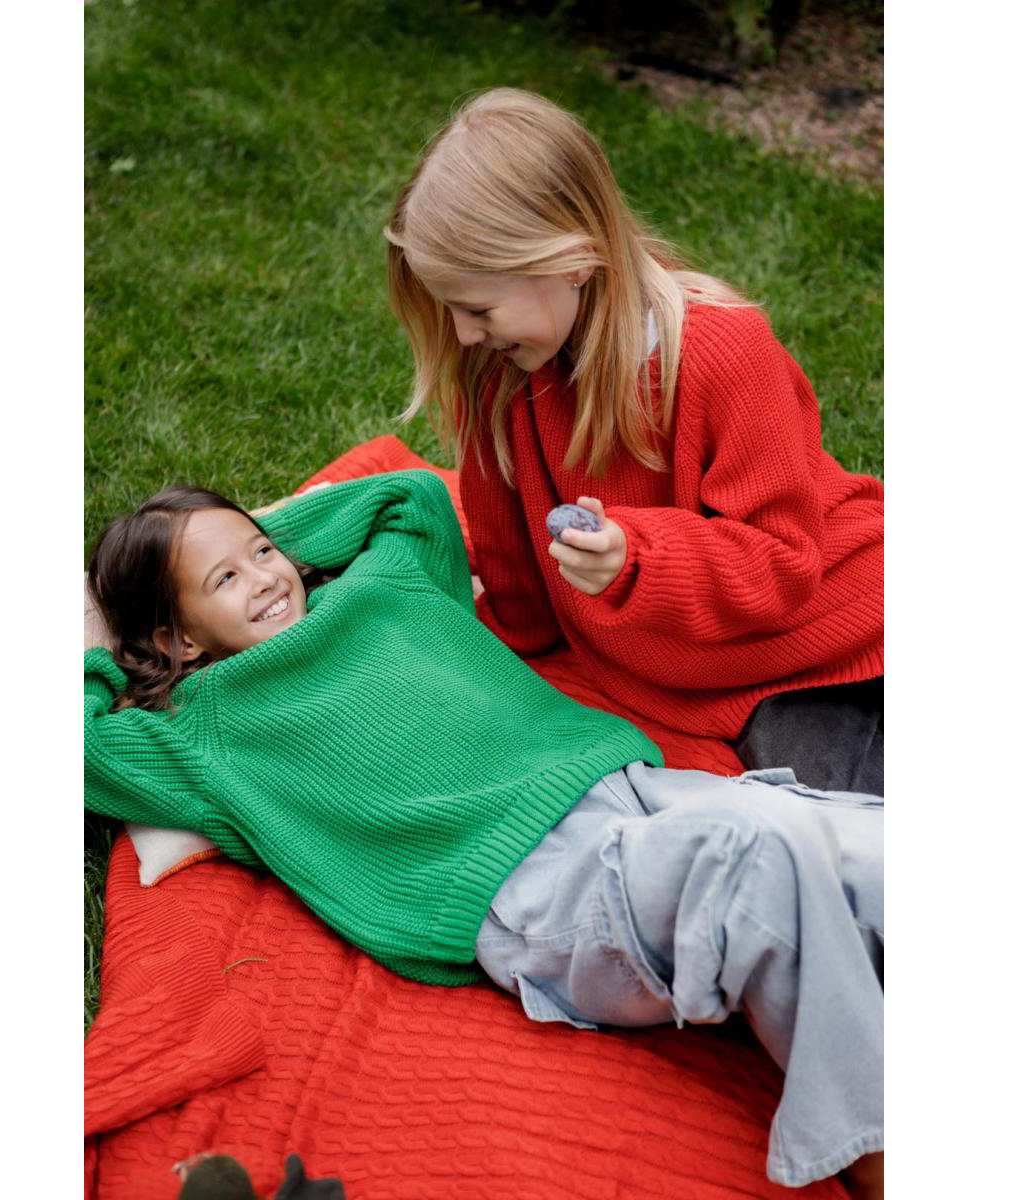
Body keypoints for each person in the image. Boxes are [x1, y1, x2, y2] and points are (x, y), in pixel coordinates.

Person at [84, 471, 883, 1196]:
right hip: (540, 885)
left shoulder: (384, 585)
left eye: (262, 553)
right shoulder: (205, 730)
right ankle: (874, 1152)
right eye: (224, 579)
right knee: (759, 854)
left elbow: (410, 498)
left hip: (637, 791)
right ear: (178, 639)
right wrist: (109, 647)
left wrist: (261, 532)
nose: (264, 578)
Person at [384, 88, 884, 795]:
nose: (464, 334)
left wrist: (638, 559)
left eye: (478, 308)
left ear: (572, 260)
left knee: (857, 814)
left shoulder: (725, 353)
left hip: (834, 623)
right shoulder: (501, 375)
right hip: (716, 675)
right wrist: (477, 643)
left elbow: (782, 561)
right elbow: (517, 580)